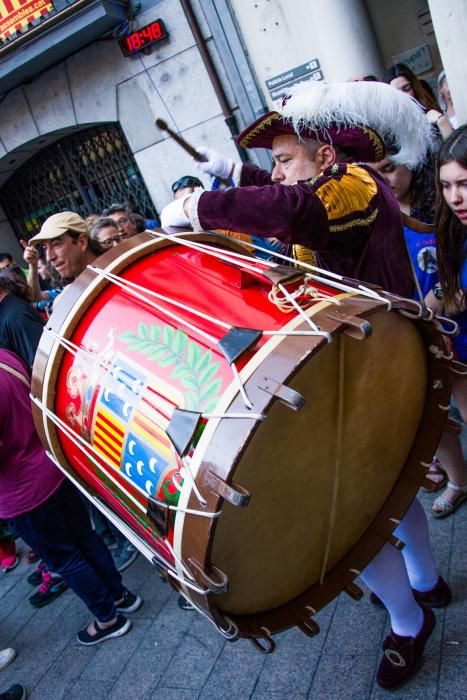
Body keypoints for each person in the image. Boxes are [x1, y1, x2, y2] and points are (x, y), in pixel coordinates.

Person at [161, 79, 452, 690]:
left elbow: (299, 208)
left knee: (352, 511)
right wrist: (236, 171)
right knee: (388, 495)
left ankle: (408, 618)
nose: (276, 174)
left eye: (284, 159)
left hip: (374, 369)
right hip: (367, 364)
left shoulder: (351, 185)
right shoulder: (340, 183)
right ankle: (425, 581)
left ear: (325, 157)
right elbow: (294, 196)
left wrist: (201, 208)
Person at [0, 347, 142, 645]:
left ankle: (108, 619)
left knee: (66, 558)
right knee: (85, 537)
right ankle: (120, 596)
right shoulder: (4, 356)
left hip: (25, 494)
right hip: (50, 465)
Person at [27, 212, 139, 572]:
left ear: (80, 240)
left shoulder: (122, 271)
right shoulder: (65, 300)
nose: (51, 257)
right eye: (45, 250)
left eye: (57, 244)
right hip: (119, 413)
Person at [424, 125, 467, 517]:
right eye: (448, 186)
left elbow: (454, 297)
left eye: (465, 184)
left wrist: (438, 299)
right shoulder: (457, 229)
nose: (455, 198)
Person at [382, 63, 452, 141]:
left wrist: (442, 122)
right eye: (396, 93)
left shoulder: (434, 118)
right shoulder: (388, 131)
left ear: (415, 88)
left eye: (407, 88)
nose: (404, 96)